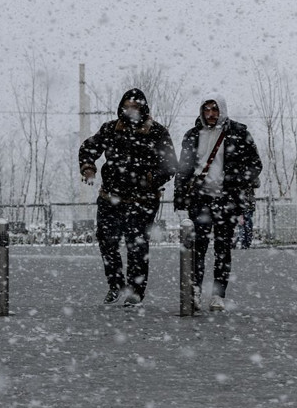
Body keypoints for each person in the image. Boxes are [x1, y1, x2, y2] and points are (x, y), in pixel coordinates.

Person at [79, 88, 177, 307]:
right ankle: (115, 285)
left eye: (135, 106)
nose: (130, 110)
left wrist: (150, 179)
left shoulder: (157, 132)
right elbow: (88, 148)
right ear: (121, 107)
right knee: (107, 242)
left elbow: (171, 165)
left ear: (143, 108)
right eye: (127, 106)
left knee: (137, 246)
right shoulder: (110, 129)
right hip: (110, 198)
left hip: (142, 201)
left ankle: (135, 291)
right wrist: (88, 168)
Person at [174, 94, 261, 312]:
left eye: (215, 109)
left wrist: (234, 180)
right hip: (200, 199)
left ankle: (218, 295)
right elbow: (184, 168)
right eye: (207, 110)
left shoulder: (239, 134)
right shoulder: (193, 135)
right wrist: (180, 195)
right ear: (201, 111)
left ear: (222, 110)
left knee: (223, 249)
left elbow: (255, 165)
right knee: (197, 248)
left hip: (227, 199)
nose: (211, 114)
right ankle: (193, 292)